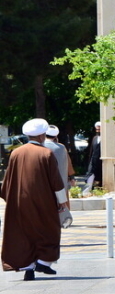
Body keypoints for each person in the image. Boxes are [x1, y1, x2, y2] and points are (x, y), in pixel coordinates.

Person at [1, 118, 67, 280]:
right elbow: (56, 181)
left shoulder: (16, 153)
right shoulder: (46, 153)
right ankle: (44, 262)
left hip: (19, 201)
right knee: (48, 230)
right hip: (43, 201)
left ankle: (27, 267)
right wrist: (62, 201)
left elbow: (8, 179)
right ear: (41, 136)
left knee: (24, 233)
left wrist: (8, 197)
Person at [44, 125, 75, 208]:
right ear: (56, 136)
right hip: (60, 185)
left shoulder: (39, 147)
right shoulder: (61, 148)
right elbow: (68, 163)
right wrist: (72, 177)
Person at [85, 121, 103, 188]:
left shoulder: (105, 139)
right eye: (97, 129)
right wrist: (90, 161)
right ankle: (89, 188)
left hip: (101, 161)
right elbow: (91, 151)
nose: (98, 131)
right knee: (90, 174)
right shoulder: (95, 138)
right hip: (93, 160)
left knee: (99, 176)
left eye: (99, 129)